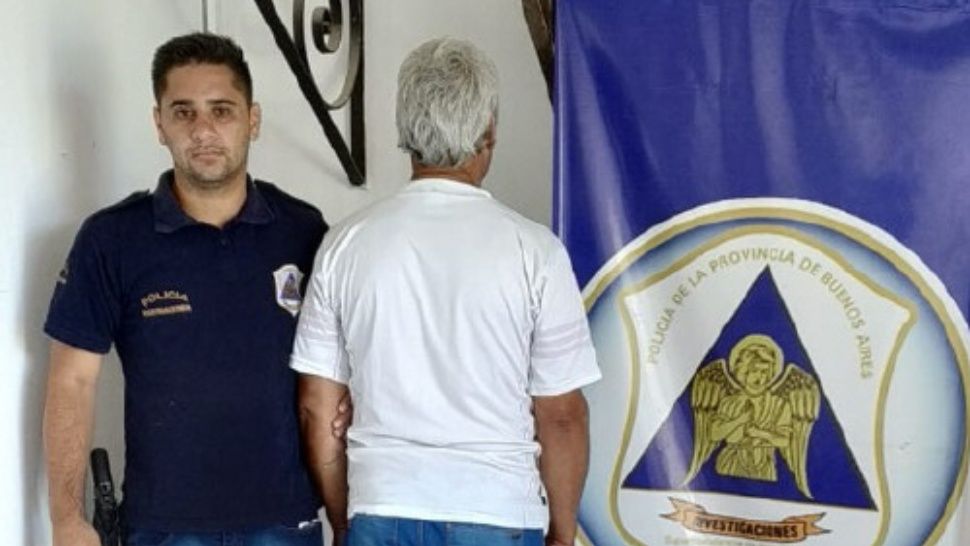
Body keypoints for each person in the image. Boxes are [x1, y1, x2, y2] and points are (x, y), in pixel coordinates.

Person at [290, 37, 601, 546]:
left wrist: (345, 521)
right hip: (498, 511)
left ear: (404, 129)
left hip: (383, 506)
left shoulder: (345, 245)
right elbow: (562, 416)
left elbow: (317, 408)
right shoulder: (536, 252)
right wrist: (563, 534)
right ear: (489, 130)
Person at [43, 33, 343, 546]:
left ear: (253, 120)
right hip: (162, 527)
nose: (203, 130)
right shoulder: (111, 239)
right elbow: (72, 382)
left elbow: (333, 379)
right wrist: (67, 520)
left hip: (284, 522)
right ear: (159, 124)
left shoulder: (303, 231)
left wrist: (342, 508)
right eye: (183, 113)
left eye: (222, 111)